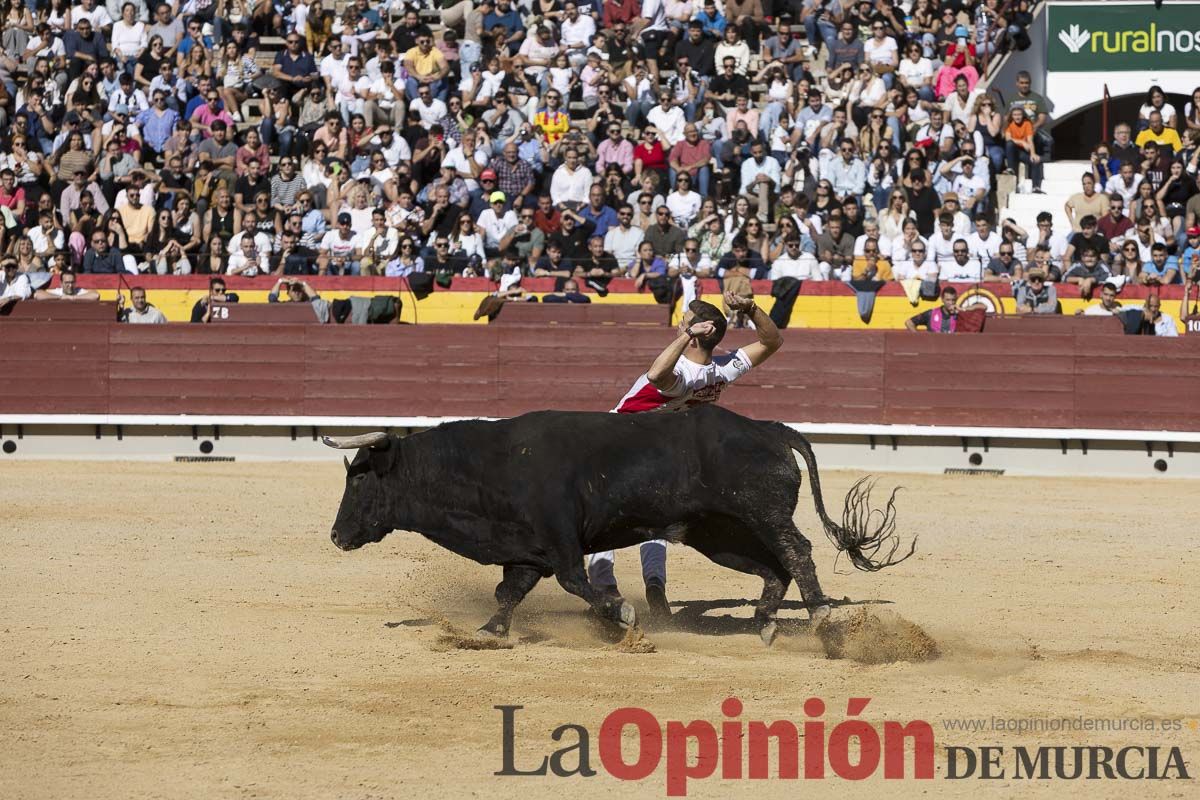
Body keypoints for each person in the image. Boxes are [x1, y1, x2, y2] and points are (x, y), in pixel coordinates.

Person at [589, 293, 783, 621]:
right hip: (660, 455)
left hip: (617, 445)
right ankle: (655, 585)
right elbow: (772, 340)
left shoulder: (680, 374)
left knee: (600, 517)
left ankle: (605, 587)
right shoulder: (722, 370)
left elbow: (655, 375)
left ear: (695, 333)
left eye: (685, 319)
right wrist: (750, 308)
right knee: (655, 524)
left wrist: (686, 335)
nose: (679, 322)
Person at [34, 269, 99, 301]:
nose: (70, 285)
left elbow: (96, 295)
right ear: (61, 284)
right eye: (67, 283)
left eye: (72, 282)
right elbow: (37, 294)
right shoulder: (57, 292)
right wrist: (60, 297)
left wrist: (73, 298)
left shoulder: (79, 291)